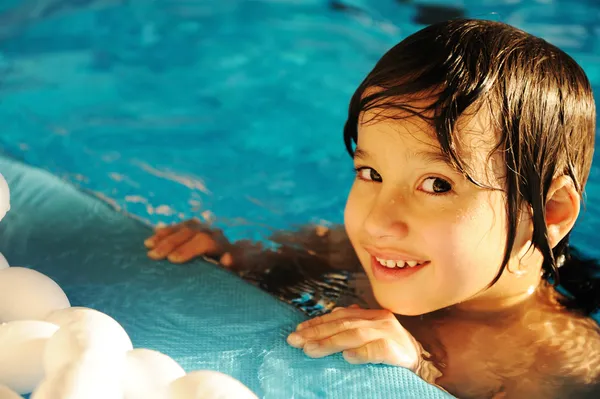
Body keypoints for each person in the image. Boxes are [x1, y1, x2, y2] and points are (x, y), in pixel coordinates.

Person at [143, 19, 600, 398]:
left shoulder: (563, 368)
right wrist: (226, 257)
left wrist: (418, 373)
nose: (379, 222)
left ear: (550, 211)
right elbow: (267, 259)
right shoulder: (345, 251)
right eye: (371, 174)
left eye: (437, 184)